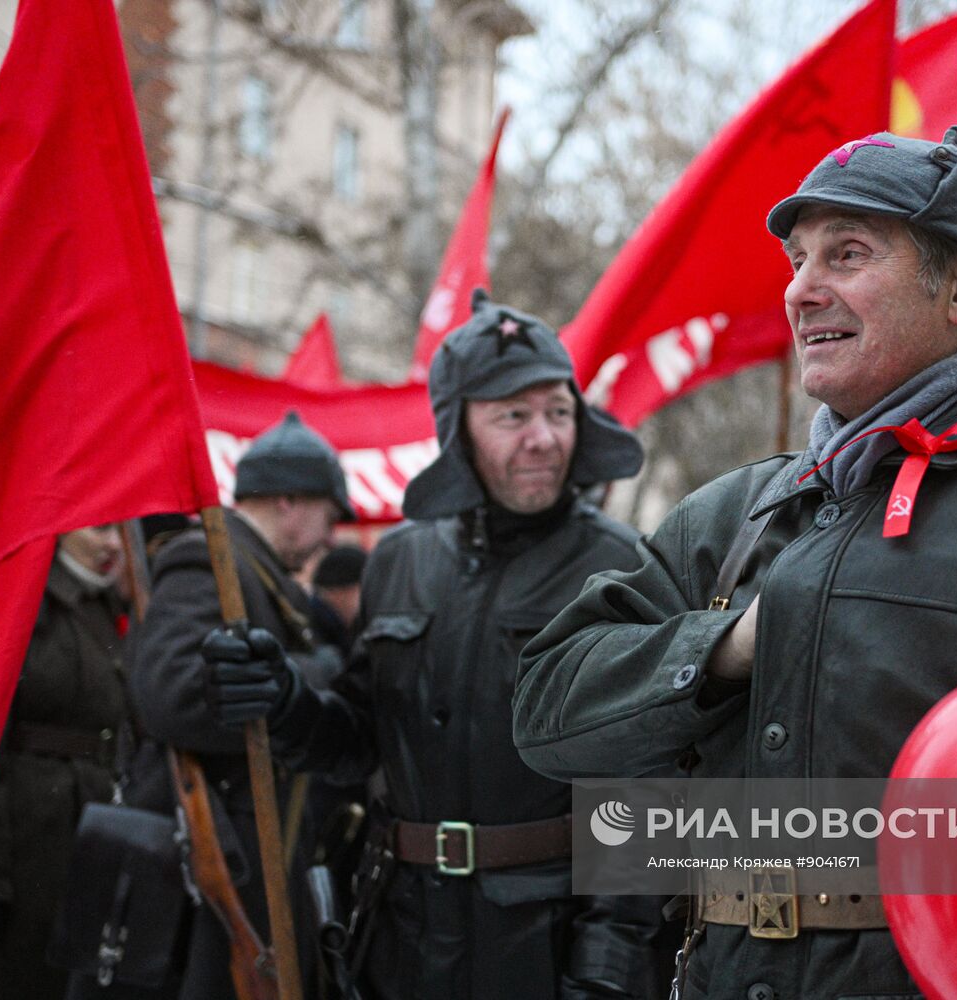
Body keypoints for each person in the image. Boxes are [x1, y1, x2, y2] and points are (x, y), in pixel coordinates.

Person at [512, 127, 957, 998]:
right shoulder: (728, 513)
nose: (801, 290)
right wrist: (723, 650)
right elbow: (545, 711)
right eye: (797, 258)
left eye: (847, 254)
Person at [203, 292, 668, 998]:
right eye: (512, 415)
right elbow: (363, 739)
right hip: (398, 935)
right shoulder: (398, 559)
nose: (542, 437)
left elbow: (645, 790)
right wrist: (286, 702)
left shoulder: (620, 564)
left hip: (541, 948)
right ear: (458, 431)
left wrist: (606, 972)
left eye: (557, 411)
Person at [127, 410, 354, 999]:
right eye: (329, 515)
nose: (333, 537)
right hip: (210, 877)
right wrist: (308, 676)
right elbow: (170, 692)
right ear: (287, 501)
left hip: (251, 863)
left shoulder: (258, 574)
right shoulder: (210, 560)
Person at [0, 524, 131, 999]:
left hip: (83, 830)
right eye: (100, 529)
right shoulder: (22, 599)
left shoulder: (104, 605)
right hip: (21, 842)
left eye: (121, 530)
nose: (114, 545)